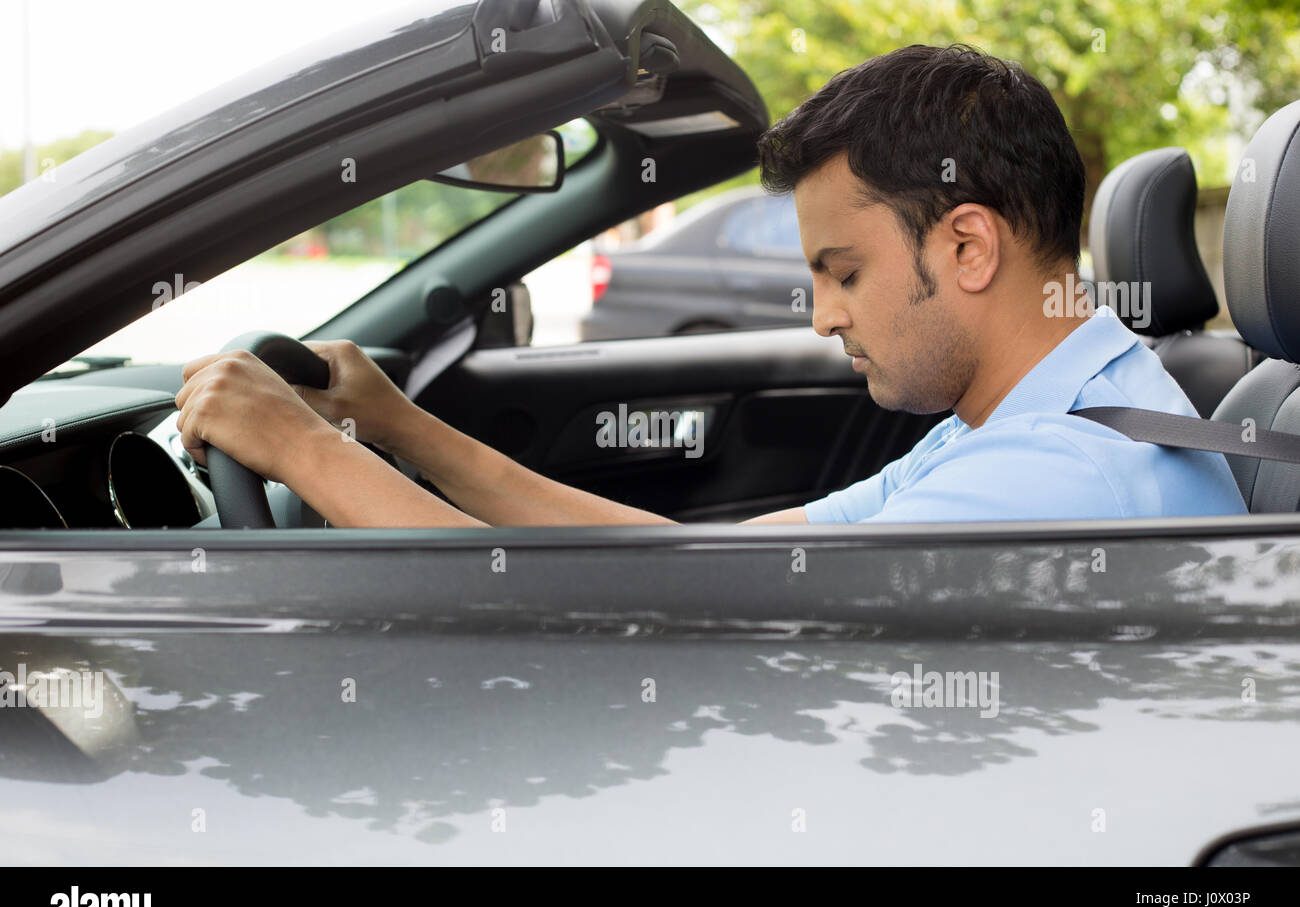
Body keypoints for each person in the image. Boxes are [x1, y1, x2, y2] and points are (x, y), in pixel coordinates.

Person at [174, 44, 1247, 527]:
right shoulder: (1032, 412)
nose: (824, 316)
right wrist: (395, 426)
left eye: (844, 273)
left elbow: (617, 610)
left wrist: (306, 450)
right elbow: (691, 564)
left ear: (967, 246)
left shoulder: (1063, 476)